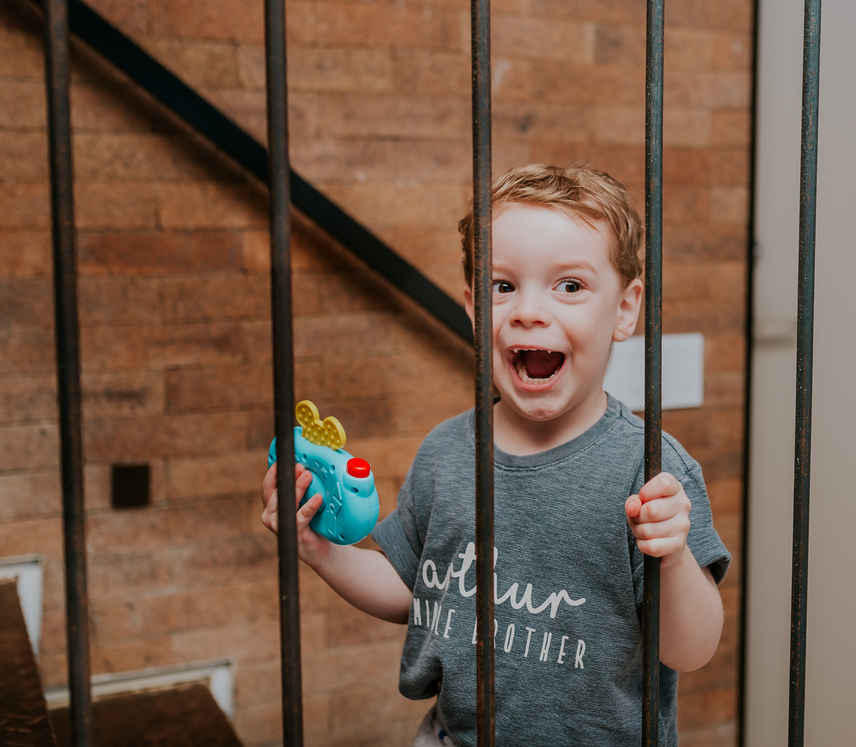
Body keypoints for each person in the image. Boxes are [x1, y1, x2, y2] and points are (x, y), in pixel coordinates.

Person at [261, 164, 730, 746]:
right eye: (503, 286)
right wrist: (318, 550)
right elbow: (413, 587)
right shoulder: (446, 452)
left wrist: (674, 557)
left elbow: (692, 648)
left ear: (625, 310)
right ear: (473, 307)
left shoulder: (652, 469)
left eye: (570, 286)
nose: (528, 310)